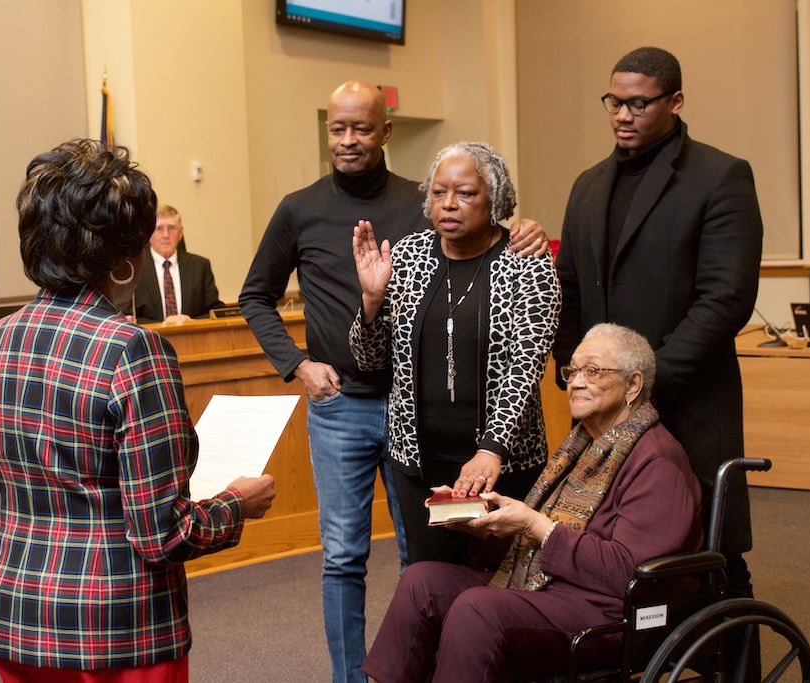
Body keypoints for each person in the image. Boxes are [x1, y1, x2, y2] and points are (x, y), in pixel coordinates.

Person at [239, 79, 549, 682]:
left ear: (385, 131)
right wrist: (298, 363)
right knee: (342, 556)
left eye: (361, 128)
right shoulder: (299, 207)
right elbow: (256, 295)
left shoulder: (422, 199)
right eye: (337, 128)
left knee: (421, 558)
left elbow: (488, 239)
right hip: (342, 407)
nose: (347, 139)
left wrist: (524, 229)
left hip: (416, 416)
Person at [0, 139, 276, 681]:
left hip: (18, 617)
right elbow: (162, 534)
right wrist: (236, 503)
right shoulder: (133, 349)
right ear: (125, 257)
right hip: (117, 626)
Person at [362, 324, 703, 681]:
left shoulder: (657, 461)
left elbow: (629, 575)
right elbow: (541, 541)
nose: (576, 382)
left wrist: (535, 525)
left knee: (478, 609)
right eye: (572, 371)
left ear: (633, 385)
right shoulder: (583, 444)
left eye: (593, 371)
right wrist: (487, 525)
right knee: (421, 581)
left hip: (610, 613)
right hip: (547, 584)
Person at [552, 47, 762, 606]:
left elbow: (726, 299)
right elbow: (568, 289)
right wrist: (579, 373)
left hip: (687, 400)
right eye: (614, 102)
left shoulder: (720, 175)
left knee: (713, 556)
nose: (623, 115)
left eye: (639, 103)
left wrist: (644, 384)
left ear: (676, 101)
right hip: (602, 410)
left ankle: (732, 651)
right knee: (606, 553)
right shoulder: (588, 184)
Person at [349, 142, 560, 568]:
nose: (448, 204)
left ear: (494, 199)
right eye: (438, 192)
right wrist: (371, 301)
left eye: (465, 193)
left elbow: (525, 366)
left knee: (502, 581)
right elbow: (371, 361)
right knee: (430, 579)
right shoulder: (407, 256)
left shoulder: (528, 262)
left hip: (501, 462)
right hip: (420, 463)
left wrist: (491, 450)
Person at [131, 204, 224, 323]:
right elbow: (129, 317)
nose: (166, 235)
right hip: (150, 334)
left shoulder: (200, 266)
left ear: (180, 233)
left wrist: (191, 321)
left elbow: (215, 310)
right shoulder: (135, 269)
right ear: (149, 235)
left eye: (171, 228)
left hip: (192, 333)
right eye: (159, 228)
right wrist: (163, 325)